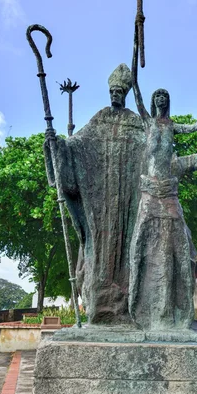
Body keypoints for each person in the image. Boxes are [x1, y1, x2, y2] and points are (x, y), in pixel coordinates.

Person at [129, 26, 197, 331]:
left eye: (165, 96)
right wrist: (136, 49)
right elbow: (136, 88)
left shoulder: (173, 128)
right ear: (153, 103)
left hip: (170, 195)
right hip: (150, 194)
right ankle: (137, 305)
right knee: (139, 246)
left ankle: (176, 311)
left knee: (180, 245)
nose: (161, 99)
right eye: (158, 96)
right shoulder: (148, 123)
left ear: (169, 102)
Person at [44, 64, 146, 325]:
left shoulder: (135, 122)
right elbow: (79, 143)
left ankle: (125, 303)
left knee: (125, 247)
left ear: (125, 94)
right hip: (100, 201)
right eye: (111, 91)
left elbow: (150, 150)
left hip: (127, 198)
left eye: (118, 91)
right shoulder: (100, 118)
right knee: (98, 248)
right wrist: (58, 146)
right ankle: (100, 303)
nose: (115, 95)